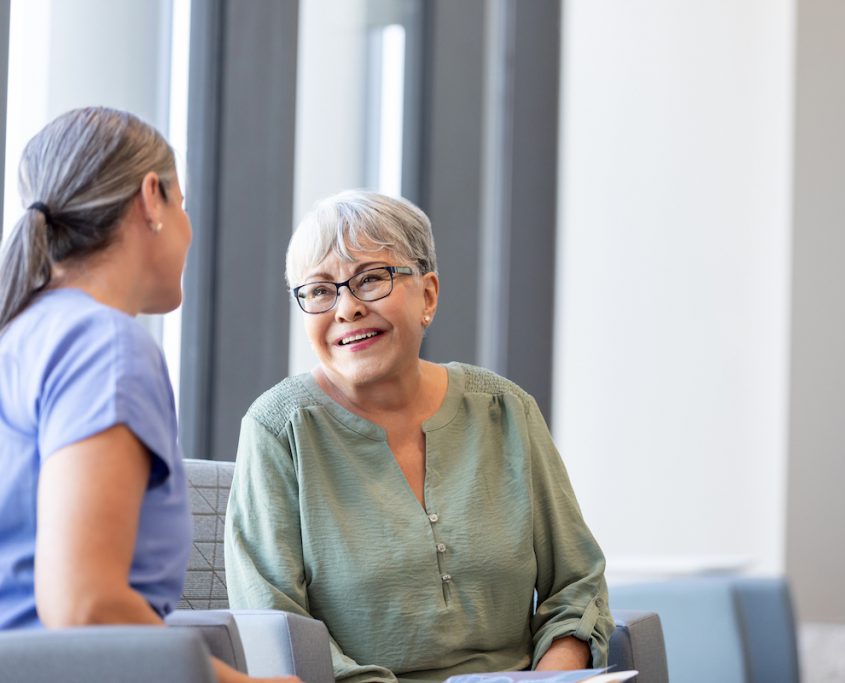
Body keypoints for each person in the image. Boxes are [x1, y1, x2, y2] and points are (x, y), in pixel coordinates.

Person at [225, 190, 615, 683]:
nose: (346, 309)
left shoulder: (505, 410)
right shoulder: (278, 428)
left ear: (428, 294)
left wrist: (550, 680)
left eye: (370, 279)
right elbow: (272, 628)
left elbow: (576, 586)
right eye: (320, 291)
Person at [0, 107, 298, 683]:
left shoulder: (24, 335)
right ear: (150, 199)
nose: (188, 228)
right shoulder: (103, 346)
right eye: (182, 204)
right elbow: (82, 604)